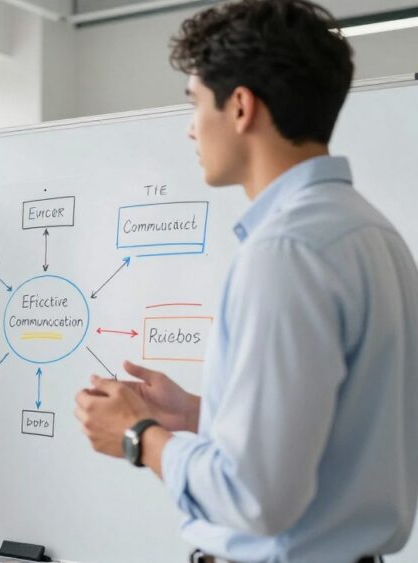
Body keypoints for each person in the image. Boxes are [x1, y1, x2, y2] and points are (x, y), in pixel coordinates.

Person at [74, 1, 418, 561]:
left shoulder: (285, 252)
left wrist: (140, 437)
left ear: (240, 107)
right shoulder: (372, 234)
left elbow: (255, 498)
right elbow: (334, 440)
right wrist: (192, 415)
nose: (190, 129)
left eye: (195, 104)